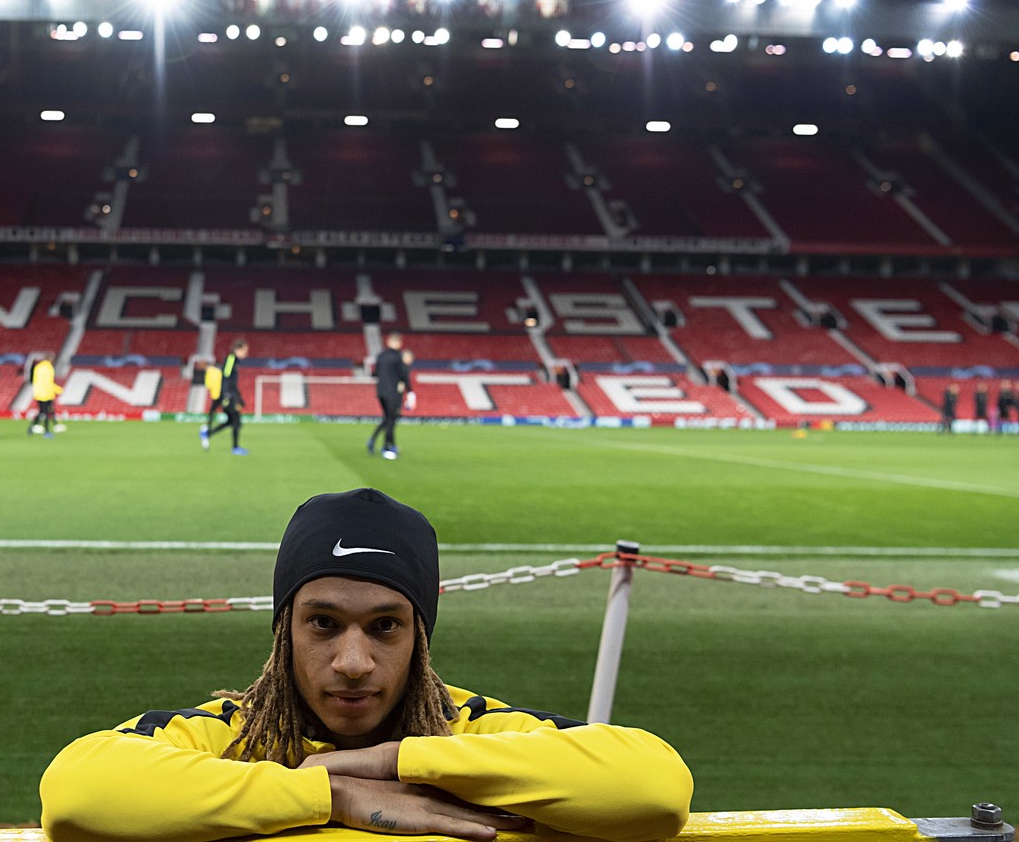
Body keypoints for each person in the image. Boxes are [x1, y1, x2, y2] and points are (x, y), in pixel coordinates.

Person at [40, 488, 692, 842]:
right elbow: (78, 794)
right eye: (323, 622)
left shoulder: (469, 727)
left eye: (385, 626)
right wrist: (330, 795)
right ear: (283, 632)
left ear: (421, 638)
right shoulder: (232, 733)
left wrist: (396, 761)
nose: (353, 662)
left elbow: (654, 788)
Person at [201, 339, 249, 456]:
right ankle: (235, 448)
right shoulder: (231, 359)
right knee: (236, 422)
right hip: (228, 397)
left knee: (231, 422)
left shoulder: (234, 361)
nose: (246, 354)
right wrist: (227, 396)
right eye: (244, 351)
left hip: (231, 395)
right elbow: (226, 378)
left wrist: (239, 398)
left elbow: (232, 381)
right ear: (238, 350)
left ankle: (207, 434)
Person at [367, 332, 409, 460]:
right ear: (398, 343)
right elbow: (403, 375)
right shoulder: (397, 357)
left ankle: (374, 440)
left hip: (380, 392)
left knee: (387, 418)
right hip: (393, 393)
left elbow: (375, 374)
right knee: (391, 419)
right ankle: (387, 447)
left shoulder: (380, 356)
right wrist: (409, 390)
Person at [30, 352, 65, 438]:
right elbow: (48, 383)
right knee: (45, 412)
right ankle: (47, 432)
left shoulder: (38, 367)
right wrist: (59, 390)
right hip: (46, 393)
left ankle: (31, 428)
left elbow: (35, 381)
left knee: (43, 412)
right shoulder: (49, 368)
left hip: (38, 393)